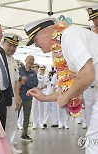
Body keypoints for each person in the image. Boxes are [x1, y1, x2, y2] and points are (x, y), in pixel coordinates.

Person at [25, 17, 98, 153]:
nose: (36, 45)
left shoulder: (69, 36)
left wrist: (65, 98)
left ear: (46, 32)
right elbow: (72, 85)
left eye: (35, 40)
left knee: (93, 145)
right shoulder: (64, 45)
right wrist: (45, 97)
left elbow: (88, 74)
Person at [2, 33, 22, 153]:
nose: (12, 48)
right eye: (9, 45)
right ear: (3, 43)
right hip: (2, 95)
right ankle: (1, 147)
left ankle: (9, 146)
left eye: (14, 46)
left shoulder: (14, 61)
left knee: (12, 121)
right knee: (1, 122)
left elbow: (16, 81)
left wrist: (18, 97)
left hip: (13, 96)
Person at [19, 55, 38, 142]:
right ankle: (11, 134)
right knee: (15, 116)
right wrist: (21, 80)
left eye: (32, 60)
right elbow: (16, 80)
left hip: (28, 98)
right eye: (29, 59)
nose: (30, 61)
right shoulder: (19, 70)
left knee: (27, 116)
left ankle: (24, 134)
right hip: (19, 96)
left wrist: (25, 81)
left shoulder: (33, 73)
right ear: (25, 59)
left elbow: (35, 84)